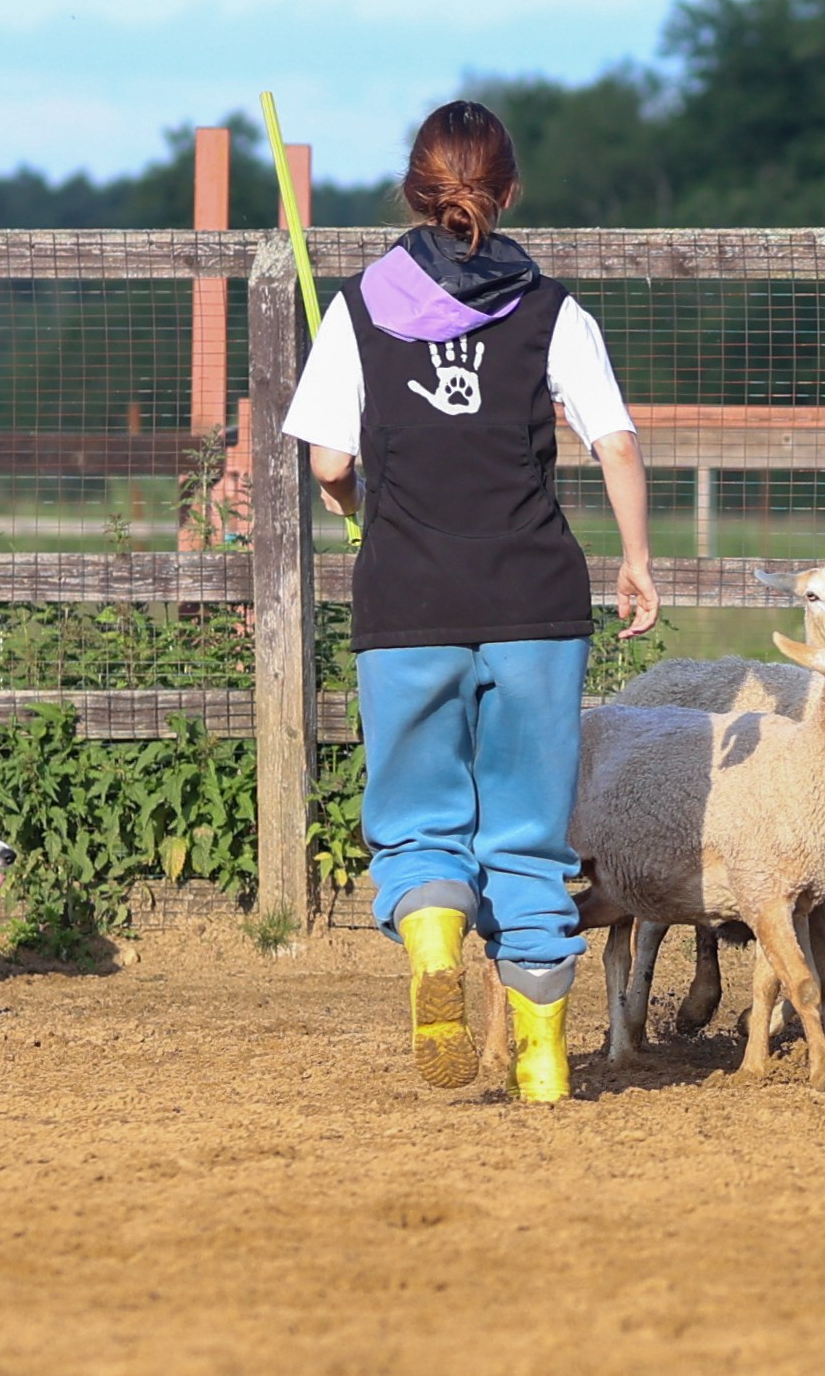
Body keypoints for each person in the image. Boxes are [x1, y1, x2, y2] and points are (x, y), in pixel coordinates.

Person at [281, 100, 657, 1102]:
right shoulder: (554, 311)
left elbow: (328, 462)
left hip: (407, 600)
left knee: (419, 820)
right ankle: (543, 1063)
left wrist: (358, 507)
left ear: (414, 189)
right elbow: (616, 442)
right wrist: (635, 560)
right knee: (529, 834)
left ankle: (435, 944)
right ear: (510, 190)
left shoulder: (355, 308)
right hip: (536, 602)